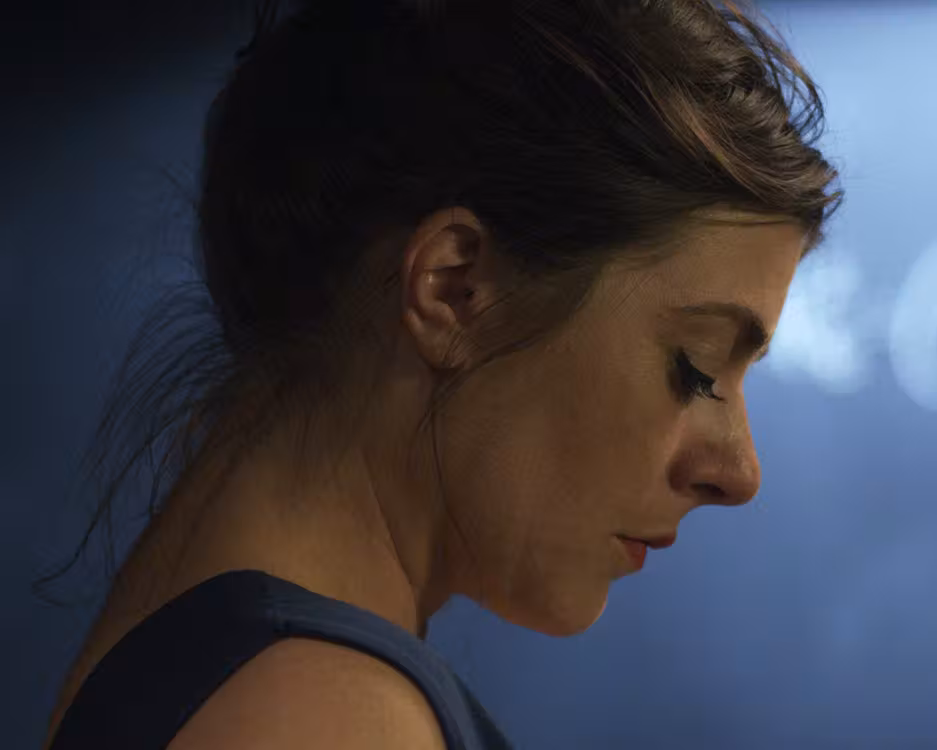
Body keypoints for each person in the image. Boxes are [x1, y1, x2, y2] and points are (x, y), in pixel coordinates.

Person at [37, 0, 841, 747]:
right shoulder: (318, 717)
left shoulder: (230, 666)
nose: (740, 473)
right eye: (696, 369)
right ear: (457, 290)